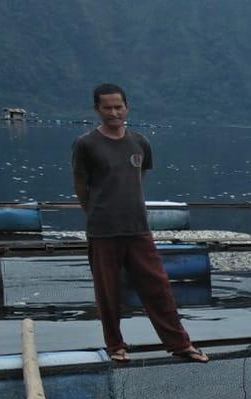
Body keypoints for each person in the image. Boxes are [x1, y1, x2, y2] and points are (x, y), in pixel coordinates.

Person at [71, 83, 208, 363]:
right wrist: (96, 213)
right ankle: (115, 346)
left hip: (138, 229)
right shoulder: (86, 144)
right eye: (107, 107)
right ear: (97, 109)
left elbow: (138, 176)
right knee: (108, 293)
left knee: (158, 287)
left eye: (118, 106)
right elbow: (81, 186)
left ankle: (180, 343)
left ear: (127, 107)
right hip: (103, 231)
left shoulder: (140, 142)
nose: (113, 112)